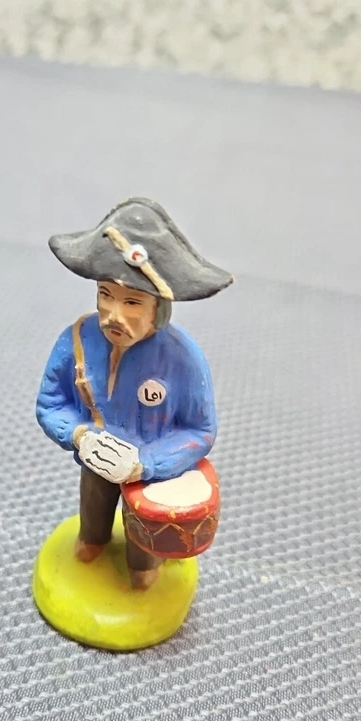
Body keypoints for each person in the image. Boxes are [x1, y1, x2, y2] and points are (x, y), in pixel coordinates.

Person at [36, 196, 233, 590]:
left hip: (148, 471)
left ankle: (143, 564)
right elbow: (50, 403)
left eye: (132, 302)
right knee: (91, 519)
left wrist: (147, 463)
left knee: (143, 554)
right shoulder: (77, 339)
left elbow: (200, 431)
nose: (114, 314)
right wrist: (80, 435)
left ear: (158, 308)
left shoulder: (182, 359)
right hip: (95, 455)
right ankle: (93, 537)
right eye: (105, 294)